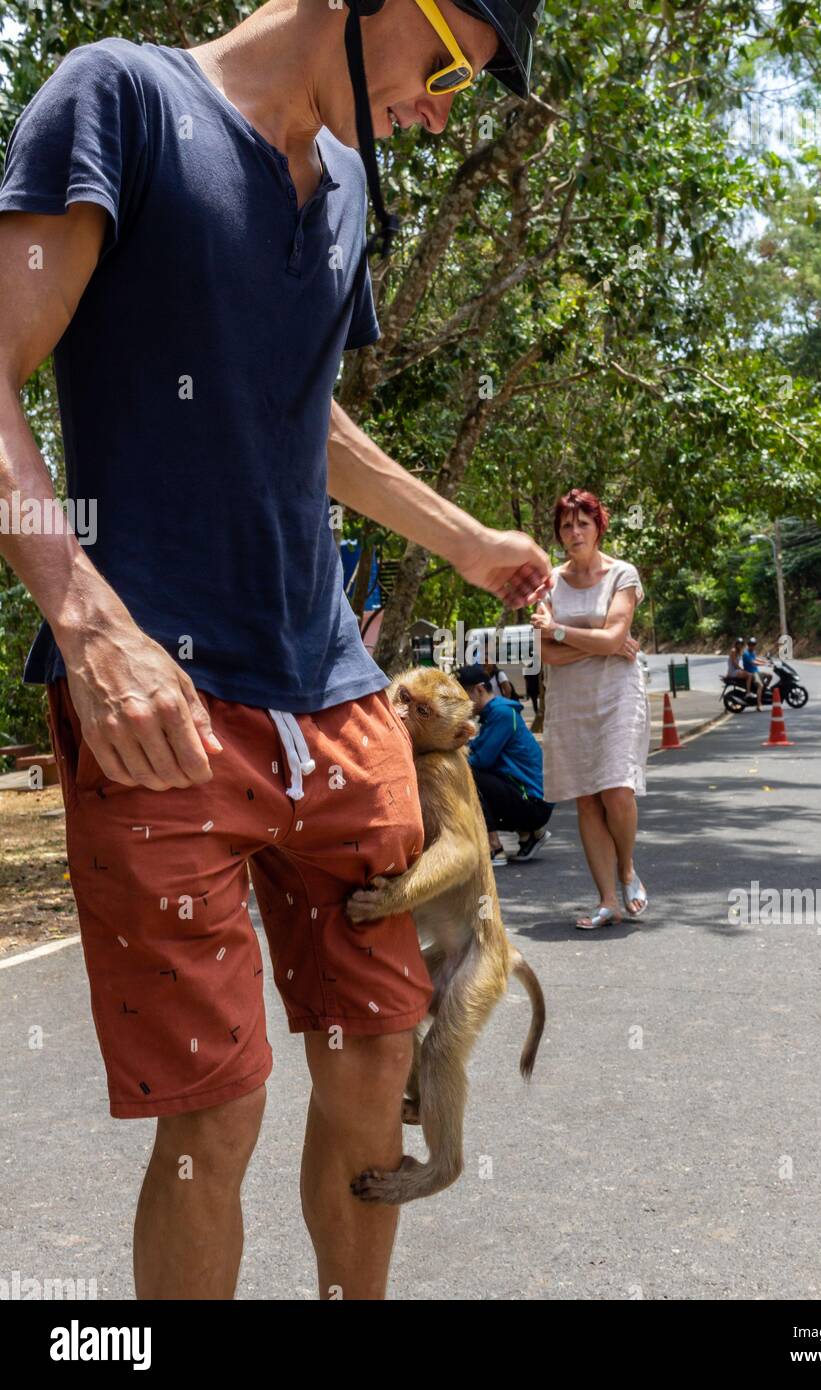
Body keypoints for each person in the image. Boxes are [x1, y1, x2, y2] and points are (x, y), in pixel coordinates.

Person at [0, 0, 549, 1302]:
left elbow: (305, 417)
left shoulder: (351, 181)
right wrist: (86, 621)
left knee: (374, 1063)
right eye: (448, 63)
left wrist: (461, 536)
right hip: (162, 702)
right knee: (218, 1110)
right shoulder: (117, 103)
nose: (441, 105)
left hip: (339, 701)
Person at [531, 488, 649, 930]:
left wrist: (561, 630)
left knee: (616, 789)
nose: (574, 531)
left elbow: (615, 636)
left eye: (583, 523)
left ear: (599, 527)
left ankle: (626, 868)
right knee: (586, 799)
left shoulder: (623, 574)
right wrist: (599, 642)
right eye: (566, 525)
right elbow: (545, 655)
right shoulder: (549, 582)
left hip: (617, 692)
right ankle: (606, 901)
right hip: (569, 696)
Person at [456, 664, 553, 865]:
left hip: (534, 804)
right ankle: (529, 834)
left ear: (479, 689)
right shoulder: (494, 714)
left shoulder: (501, 714)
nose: (460, 704)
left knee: (468, 774)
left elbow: (481, 760)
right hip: (530, 799)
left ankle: (495, 847)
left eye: (463, 697)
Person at [741, 637, 772, 711]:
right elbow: (753, 662)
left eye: (754, 644)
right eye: (751, 644)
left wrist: (765, 661)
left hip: (756, 672)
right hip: (751, 673)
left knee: (770, 675)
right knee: (760, 685)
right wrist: (765, 664)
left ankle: (764, 690)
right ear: (748, 645)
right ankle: (759, 704)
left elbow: (756, 658)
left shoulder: (753, 652)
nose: (753, 646)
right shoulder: (746, 654)